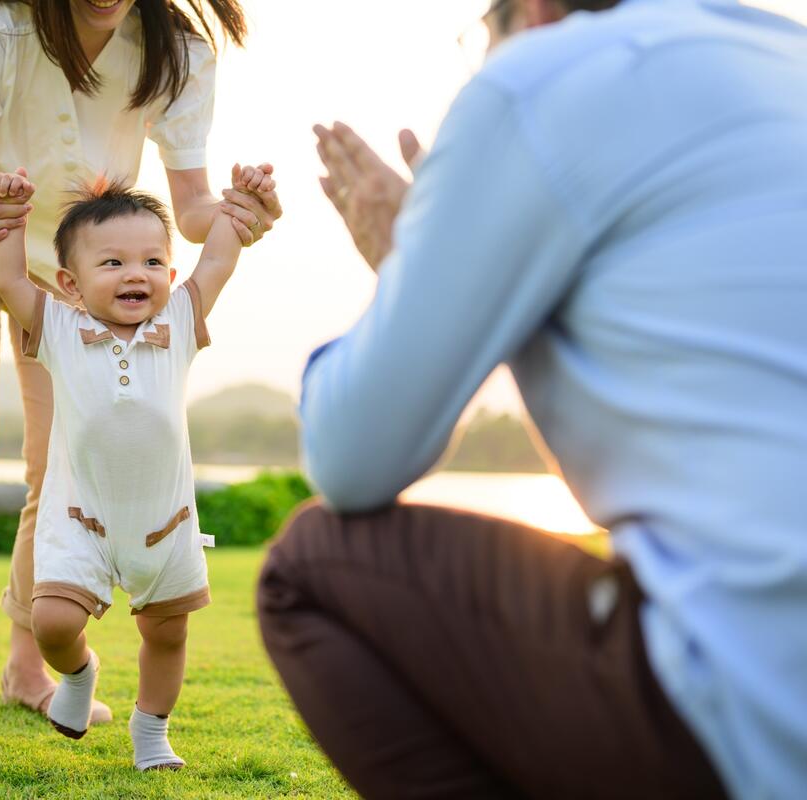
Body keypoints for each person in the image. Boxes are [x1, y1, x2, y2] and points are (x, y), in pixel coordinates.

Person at [256, 0, 807, 798]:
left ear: (532, 13)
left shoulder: (537, 80)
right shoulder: (782, 55)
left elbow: (351, 458)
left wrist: (408, 269)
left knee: (309, 566)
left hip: (758, 704)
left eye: (480, 33)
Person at [0, 0, 281, 742]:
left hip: (83, 267)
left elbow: (193, 208)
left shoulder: (176, 52)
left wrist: (240, 214)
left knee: (56, 460)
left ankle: (28, 667)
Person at [0, 165, 270, 769]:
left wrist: (240, 204)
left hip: (163, 523)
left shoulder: (179, 323)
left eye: (152, 262)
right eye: (112, 263)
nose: (136, 273)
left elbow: (214, 263)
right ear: (72, 283)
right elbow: (9, 280)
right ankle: (80, 676)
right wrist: (8, 218)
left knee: (167, 634)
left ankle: (151, 730)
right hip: (81, 520)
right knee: (52, 622)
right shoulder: (60, 327)